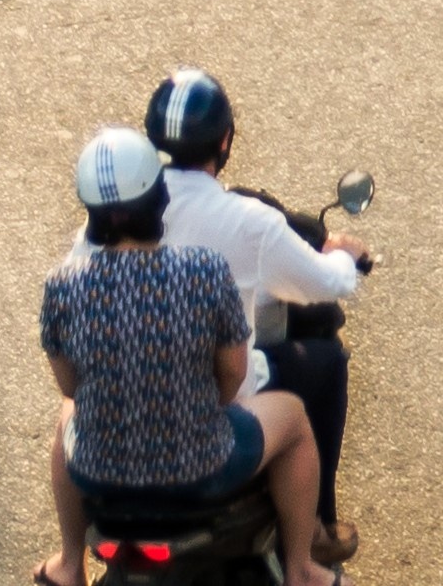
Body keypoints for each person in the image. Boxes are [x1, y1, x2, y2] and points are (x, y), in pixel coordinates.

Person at [41, 126, 337, 586]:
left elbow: (70, 385)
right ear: (157, 200)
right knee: (295, 419)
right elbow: (233, 372)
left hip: (100, 473)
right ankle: (302, 568)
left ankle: (68, 565)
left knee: (67, 414)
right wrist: (199, 406)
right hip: (203, 467)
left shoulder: (62, 285)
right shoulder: (203, 271)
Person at [137, 71, 377, 569]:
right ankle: (310, 546)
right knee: (321, 366)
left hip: (124, 423)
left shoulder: (113, 217)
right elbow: (324, 284)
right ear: (224, 140)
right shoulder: (246, 223)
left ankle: (68, 560)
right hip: (209, 427)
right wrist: (344, 257)